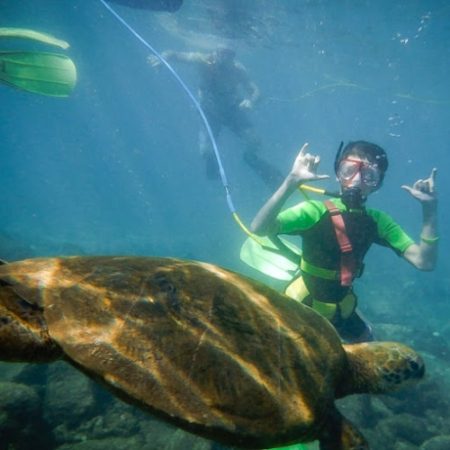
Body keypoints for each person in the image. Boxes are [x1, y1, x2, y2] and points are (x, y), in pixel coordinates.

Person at [251, 140, 438, 343]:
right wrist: (291, 182)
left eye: (369, 176)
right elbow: (259, 228)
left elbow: (424, 262)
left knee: (372, 352)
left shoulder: (378, 221)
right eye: (349, 170)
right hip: (301, 303)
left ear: (378, 185)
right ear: (338, 173)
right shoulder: (314, 211)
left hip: (343, 306)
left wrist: (429, 210)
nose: (356, 181)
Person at [148, 47, 283, 188]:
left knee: (255, 141)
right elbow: (174, 54)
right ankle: (213, 170)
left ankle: (250, 158)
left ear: (232, 57)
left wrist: (251, 101)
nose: (224, 60)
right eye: (221, 54)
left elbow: (255, 90)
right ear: (215, 53)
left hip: (232, 110)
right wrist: (161, 58)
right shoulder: (201, 60)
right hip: (209, 112)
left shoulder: (237, 70)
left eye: (229, 55)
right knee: (206, 151)